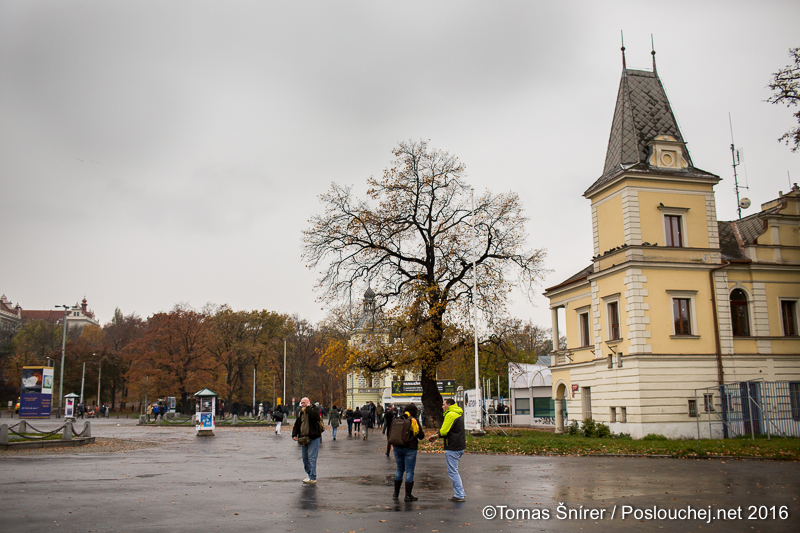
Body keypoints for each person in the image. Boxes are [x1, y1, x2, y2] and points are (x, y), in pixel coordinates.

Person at [428, 398, 466, 502]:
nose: (442, 406)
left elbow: (444, 431)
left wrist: (435, 435)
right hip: (460, 445)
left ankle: (459, 494)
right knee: (454, 470)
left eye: (444, 404)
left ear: (449, 405)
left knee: (453, 471)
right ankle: (460, 493)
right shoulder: (458, 413)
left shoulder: (450, 415)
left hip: (453, 446)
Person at [391, 403, 425, 501]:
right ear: (414, 411)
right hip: (410, 448)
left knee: (399, 469)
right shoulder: (413, 421)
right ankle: (408, 495)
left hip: (397, 446)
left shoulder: (398, 419)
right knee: (409, 471)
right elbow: (421, 435)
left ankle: (395, 493)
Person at [292, 397, 323, 484]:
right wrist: (294, 434)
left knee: (312, 458)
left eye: (304, 403)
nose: (303, 404)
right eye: (301, 403)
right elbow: (297, 424)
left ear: (308, 402)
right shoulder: (301, 412)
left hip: (314, 437)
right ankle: (309, 474)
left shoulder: (314, 410)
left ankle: (313, 476)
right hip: (304, 438)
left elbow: (315, 417)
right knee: (305, 459)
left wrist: (309, 408)